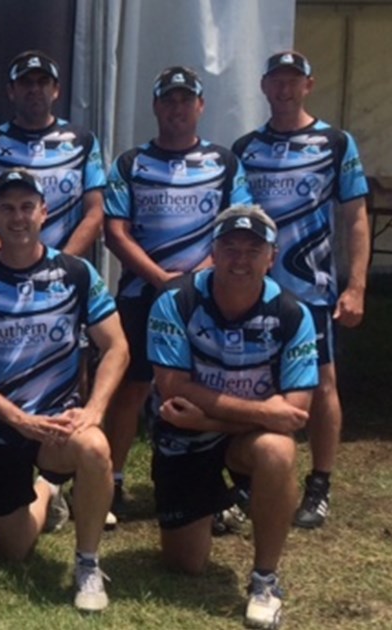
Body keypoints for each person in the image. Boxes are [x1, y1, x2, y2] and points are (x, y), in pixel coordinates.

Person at [0, 169, 127, 611]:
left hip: (58, 427)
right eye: (6, 208)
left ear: (44, 213)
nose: (17, 217)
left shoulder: (76, 274)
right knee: (14, 552)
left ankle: (87, 565)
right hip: (0, 430)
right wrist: (18, 419)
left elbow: (117, 346)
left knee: (95, 447)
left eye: (27, 206)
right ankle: (48, 488)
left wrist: (96, 410)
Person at [148, 204, 318, 629]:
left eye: (253, 250)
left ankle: (264, 581)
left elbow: (294, 415)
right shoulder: (176, 299)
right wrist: (263, 412)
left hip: (222, 431)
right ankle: (225, 505)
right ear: (213, 251)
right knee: (185, 564)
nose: (241, 259)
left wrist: (210, 421)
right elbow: (173, 388)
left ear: (272, 257)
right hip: (183, 432)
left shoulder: (294, 314)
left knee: (278, 451)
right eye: (230, 247)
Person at [103, 66, 252, 521]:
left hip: (207, 295)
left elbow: (236, 226)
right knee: (131, 389)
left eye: (186, 100)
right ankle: (110, 482)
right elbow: (115, 231)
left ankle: (214, 483)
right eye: (168, 100)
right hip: (142, 293)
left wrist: (194, 279)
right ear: (156, 106)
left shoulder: (225, 162)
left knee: (208, 387)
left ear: (200, 106)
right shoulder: (130, 163)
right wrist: (160, 280)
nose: (177, 108)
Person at [232, 51, 371, 529]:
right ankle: (250, 477)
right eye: (277, 81)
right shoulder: (246, 147)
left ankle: (321, 483)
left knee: (321, 383)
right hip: (255, 290)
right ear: (264, 87)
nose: (285, 89)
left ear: (308, 86)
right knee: (258, 382)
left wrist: (356, 285)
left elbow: (355, 217)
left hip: (312, 290)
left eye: (294, 81)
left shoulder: (335, 142)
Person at [0, 51, 106, 259]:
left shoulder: (83, 141)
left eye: (43, 82)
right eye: (25, 83)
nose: (34, 89)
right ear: (11, 91)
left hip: (66, 273)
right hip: (6, 275)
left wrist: (60, 265)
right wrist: (10, 263)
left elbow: (95, 213)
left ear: (56, 90)